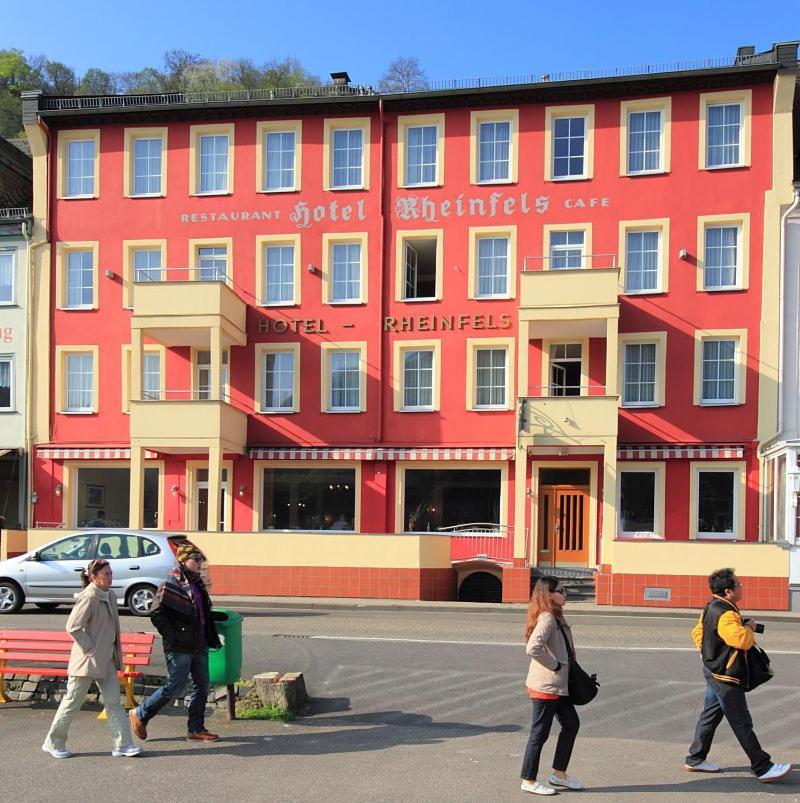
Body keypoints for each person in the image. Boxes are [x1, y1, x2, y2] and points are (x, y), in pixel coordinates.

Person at [684, 567, 791, 783]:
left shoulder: (710, 606)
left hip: (714, 670)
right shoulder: (727, 613)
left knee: (711, 714)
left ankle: (695, 758)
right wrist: (749, 627)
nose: (741, 586)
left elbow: (698, 633)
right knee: (741, 721)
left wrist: (708, 653)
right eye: (738, 584)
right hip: (726, 676)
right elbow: (742, 641)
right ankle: (762, 767)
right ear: (728, 591)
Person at [42, 559, 142, 759]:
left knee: (114, 702)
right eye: (106, 574)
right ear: (94, 577)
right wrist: (90, 648)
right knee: (72, 701)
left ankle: (122, 744)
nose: (110, 577)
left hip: (106, 660)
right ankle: (53, 742)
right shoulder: (89, 596)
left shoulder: (110, 595)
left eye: (111, 573)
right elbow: (73, 626)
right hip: (86, 661)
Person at [129, 544, 221, 743]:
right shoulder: (171, 582)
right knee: (175, 686)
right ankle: (141, 714)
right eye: (195, 559)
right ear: (183, 560)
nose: (199, 563)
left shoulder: (197, 583)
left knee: (202, 686)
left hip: (199, 642)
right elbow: (156, 613)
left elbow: (201, 612)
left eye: (200, 560)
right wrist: (174, 636)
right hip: (180, 645)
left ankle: (196, 728)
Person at [520, 576, 582, 796]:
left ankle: (559, 774)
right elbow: (532, 648)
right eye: (561, 591)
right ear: (548, 595)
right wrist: (555, 665)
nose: (565, 594)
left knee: (571, 724)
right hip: (546, 686)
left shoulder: (556, 616)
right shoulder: (547, 618)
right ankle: (528, 779)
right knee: (539, 733)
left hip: (559, 687)